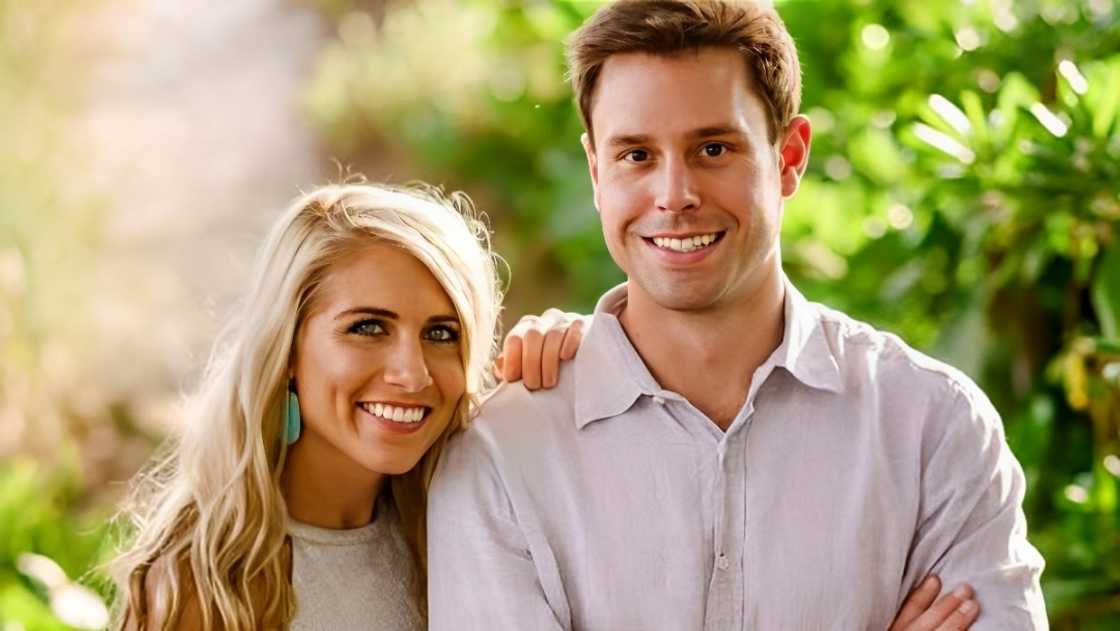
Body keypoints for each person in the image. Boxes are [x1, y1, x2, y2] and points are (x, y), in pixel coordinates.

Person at [427, 1, 1048, 630]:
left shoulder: (933, 428)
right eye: (636, 156)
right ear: (596, 170)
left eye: (714, 148)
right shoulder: (502, 455)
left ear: (789, 157)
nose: (674, 196)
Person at [110, 182, 585, 630]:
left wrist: (583, 358)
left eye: (441, 334)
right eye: (368, 328)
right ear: (288, 347)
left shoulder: (461, 521)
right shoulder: (210, 586)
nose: (413, 373)